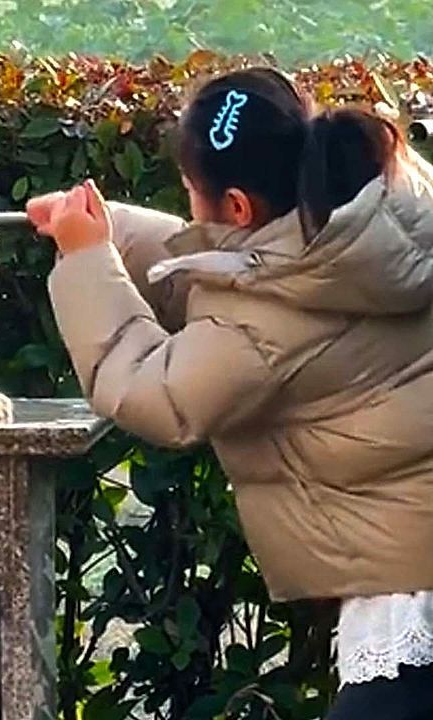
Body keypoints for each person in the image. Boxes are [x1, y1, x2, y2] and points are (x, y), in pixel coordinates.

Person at [27, 66, 433, 719]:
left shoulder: (269, 320)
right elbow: (246, 273)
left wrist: (83, 262)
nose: (188, 203)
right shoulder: (362, 219)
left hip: (409, 606)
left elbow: (151, 392)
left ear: (239, 207)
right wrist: (105, 232)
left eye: (191, 191)